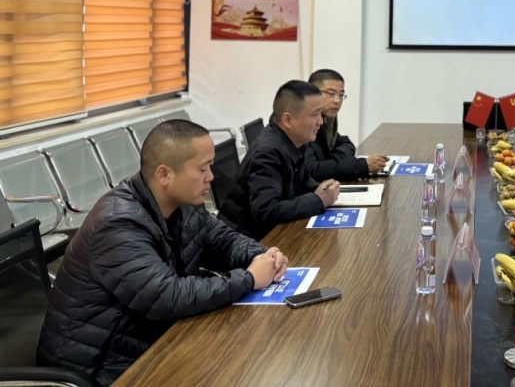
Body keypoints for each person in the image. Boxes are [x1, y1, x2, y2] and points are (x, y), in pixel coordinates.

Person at [36, 120, 287, 386]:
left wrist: (261, 256)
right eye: (202, 169)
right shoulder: (117, 223)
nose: (211, 177)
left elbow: (221, 240)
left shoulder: (183, 203)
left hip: (150, 340)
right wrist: (249, 279)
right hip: (102, 367)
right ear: (165, 174)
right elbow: (166, 296)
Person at [219, 80, 340, 240]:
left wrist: (321, 189)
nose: (321, 121)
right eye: (315, 114)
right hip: (245, 240)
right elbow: (266, 211)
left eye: (320, 114)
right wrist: (317, 200)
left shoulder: (294, 141)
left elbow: (301, 182)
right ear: (288, 120)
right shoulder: (268, 153)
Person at [305, 69, 387, 181]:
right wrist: (361, 166)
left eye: (341, 95)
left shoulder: (327, 120)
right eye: (331, 94)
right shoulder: (303, 122)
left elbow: (346, 144)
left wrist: (330, 162)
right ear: (312, 93)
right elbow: (311, 170)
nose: (337, 100)